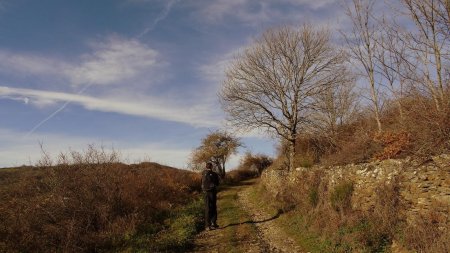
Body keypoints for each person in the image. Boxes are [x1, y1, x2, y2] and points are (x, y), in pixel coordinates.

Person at [201, 162, 220, 230]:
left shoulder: (203, 173)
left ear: (206, 167)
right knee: (213, 207)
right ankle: (213, 223)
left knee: (207, 208)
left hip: (205, 192)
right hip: (212, 192)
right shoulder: (214, 174)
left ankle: (207, 226)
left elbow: (201, 183)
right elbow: (217, 183)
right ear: (211, 167)